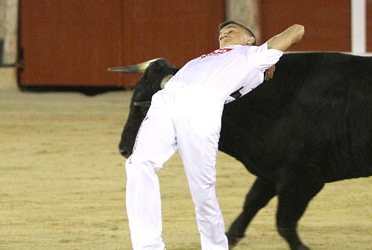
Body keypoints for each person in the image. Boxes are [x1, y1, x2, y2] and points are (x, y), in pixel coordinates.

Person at [125, 21, 305, 250]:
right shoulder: (204, 58)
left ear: (250, 39)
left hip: (202, 107)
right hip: (166, 101)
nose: (224, 34)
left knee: (202, 189)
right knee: (139, 164)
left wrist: (274, 54)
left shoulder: (253, 54)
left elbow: (297, 29)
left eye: (231, 31)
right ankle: (147, 246)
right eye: (221, 33)